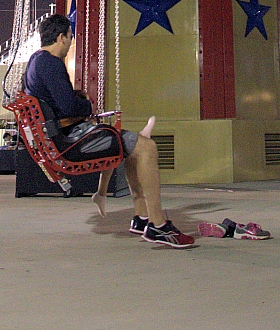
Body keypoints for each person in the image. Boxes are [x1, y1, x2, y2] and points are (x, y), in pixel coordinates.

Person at [24, 13, 194, 249]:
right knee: (147, 147)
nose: (71, 43)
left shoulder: (34, 62)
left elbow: (58, 102)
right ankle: (158, 226)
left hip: (60, 137)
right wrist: (87, 105)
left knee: (135, 148)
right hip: (70, 142)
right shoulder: (51, 63)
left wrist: (74, 100)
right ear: (61, 37)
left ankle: (142, 217)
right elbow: (69, 107)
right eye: (70, 37)